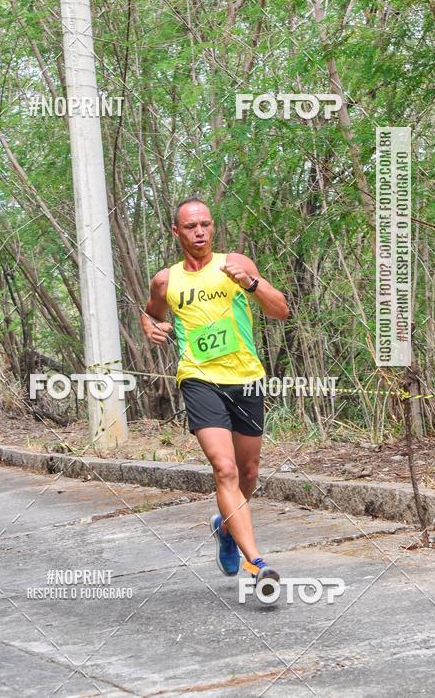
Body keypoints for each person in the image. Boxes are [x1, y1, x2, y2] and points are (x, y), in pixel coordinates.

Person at [140, 197, 289, 593]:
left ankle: (225, 528)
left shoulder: (235, 264)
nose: (200, 232)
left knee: (249, 473)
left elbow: (281, 311)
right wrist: (150, 326)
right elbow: (151, 311)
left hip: (246, 378)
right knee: (224, 469)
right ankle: (257, 563)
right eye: (191, 227)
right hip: (198, 378)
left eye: (205, 224)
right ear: (176, 232)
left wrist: (251, 284)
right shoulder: (166, 280)